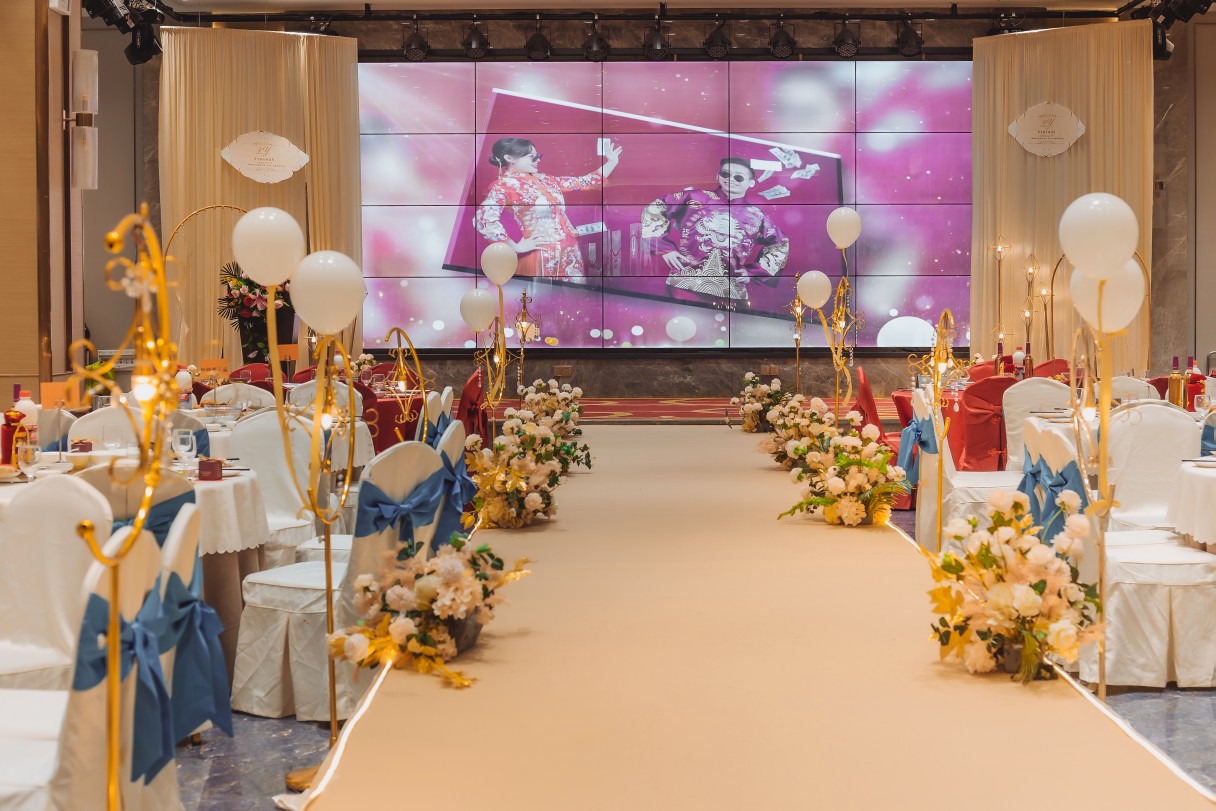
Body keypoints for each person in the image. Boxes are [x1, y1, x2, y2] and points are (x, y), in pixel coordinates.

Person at [641, 157, 789, 306]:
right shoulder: (694, 198)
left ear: (751, 182)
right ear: (718, 176)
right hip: (684, 284)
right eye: (725, 174)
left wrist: (753, 272)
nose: (730, 179)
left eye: (738, 177)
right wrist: (665, 248)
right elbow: (656, 208)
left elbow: (780, 243)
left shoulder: (756, 216)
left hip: (731, 292)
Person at [474, 137, 622, 282]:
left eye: (538, 156)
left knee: (576, 296)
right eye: (531, 157)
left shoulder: (546, 180)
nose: (537, 160)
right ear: (509, 158)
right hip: (542, 253)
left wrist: (612, 162)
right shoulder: (504, 186)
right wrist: (515, 246)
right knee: (546, 296)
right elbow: (483, 219)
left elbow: (585, 182)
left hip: (570, 251)